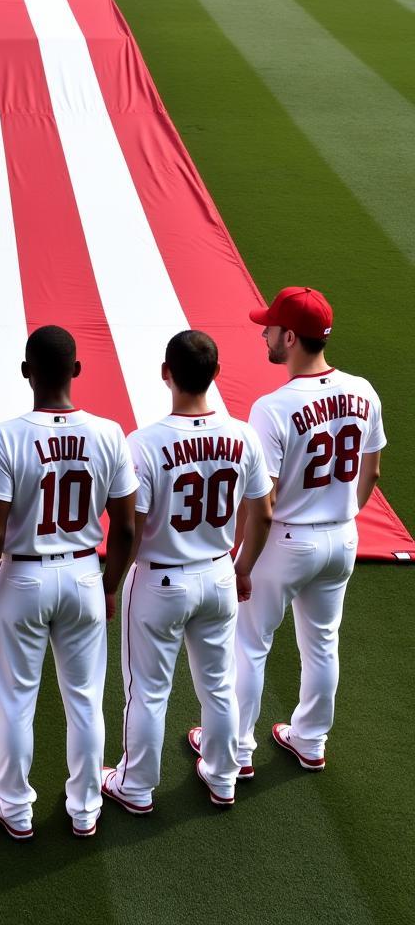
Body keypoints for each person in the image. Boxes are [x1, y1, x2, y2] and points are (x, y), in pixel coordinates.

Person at [0, 325, 137, 839]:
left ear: (26, 372)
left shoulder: (5, 434)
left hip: (23, 576)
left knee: (16, 699)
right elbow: (126, 527)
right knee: (84, 697)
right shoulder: (108, 433)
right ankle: (85, 807)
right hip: (85, 571)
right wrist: (110, 585)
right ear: (77, 371)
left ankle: (15, 807)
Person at [212, 287, 385, 775]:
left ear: (290, 337)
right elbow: (372, 472)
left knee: (250, 642)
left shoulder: (274, 407)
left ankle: (236, 750)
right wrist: (344, 515)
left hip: (285, 539)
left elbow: (260, 498)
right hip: (342, 536)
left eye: (269, 327)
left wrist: (241, 559)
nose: (263, 332)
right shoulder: (364, 390)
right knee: (323, 640)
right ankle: (310, 740)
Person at [102, 331, 271, 814]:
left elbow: (129, 526)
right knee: (218, 683)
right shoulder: (243, 435)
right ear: (216, 375)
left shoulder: (145, 443)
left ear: (165, 373)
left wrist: (112, 582)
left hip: (160, 579)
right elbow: (263, 512)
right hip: (218, 571)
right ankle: (223, 778)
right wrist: (242, 569)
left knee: (149, 691)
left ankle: (135, 787)